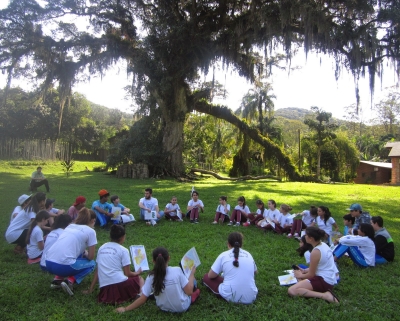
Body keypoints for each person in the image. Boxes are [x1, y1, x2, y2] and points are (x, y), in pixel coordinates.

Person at [116, 247, 200, 313]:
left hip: (163, 308)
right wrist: (192, 274)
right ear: (169, 258)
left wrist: (125, 309)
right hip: (183, 307)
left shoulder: (151, 277)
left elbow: (142, 299)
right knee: (193, 282)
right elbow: (189, 292)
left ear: (153, 261)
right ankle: (195, 293)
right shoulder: (177, 270)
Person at [83, 225, 144, 304]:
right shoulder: (124, 250)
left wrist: (90, 289)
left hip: (105, 290)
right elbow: (127, 273)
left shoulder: (102, 247)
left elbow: (97, 271)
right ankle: (142, 295)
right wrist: (137, 272)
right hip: (120, 285)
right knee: (139, 278)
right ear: (123, 237)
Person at [45, 207, 97, 296]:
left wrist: (83, 253)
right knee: (92, 264)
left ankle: (57, 280)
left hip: (48, 262)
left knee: (75, 254)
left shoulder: (70, 226)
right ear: (93, 220)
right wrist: (87, 254)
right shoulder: (90, 231)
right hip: (63, 266)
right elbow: (91, 256)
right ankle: (70, 281)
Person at [202, 232, 258, 304]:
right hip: (251, 297)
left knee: (206, 277)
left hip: (230, 296)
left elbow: (210, 275)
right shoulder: (249, 254)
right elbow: (255, 272)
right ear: (241, 244)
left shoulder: (223, 255)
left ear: (228, 244)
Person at [287, 227, 339, 303]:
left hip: (324, 281)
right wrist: (304, 270)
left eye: (306, 235)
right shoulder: (323, 244)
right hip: (329, 279)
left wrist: (300, 275)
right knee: (300, 280)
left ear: (311, 239)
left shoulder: (315, 252)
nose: (304, 236)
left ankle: (325, 296)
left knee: (292, 290)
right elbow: (321, 266)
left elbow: (311, 275)